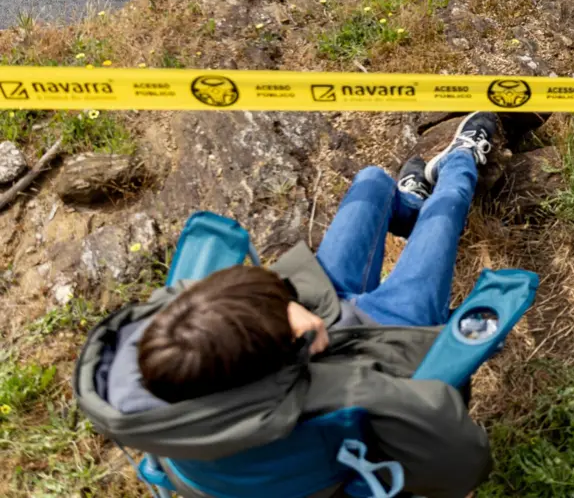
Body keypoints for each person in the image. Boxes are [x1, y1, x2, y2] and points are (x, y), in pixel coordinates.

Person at [75, 112, 501, 498]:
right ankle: (459, 160)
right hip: (381, 340)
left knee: (372, 181)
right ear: (284, 358)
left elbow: (192, 306)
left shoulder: (154, 374)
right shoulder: (351, 396)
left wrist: (279, 311)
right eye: (296, 321)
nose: (303, 313)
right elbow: (465, 465)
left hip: (319, 314)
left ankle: (407, 205)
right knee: (445, 211)